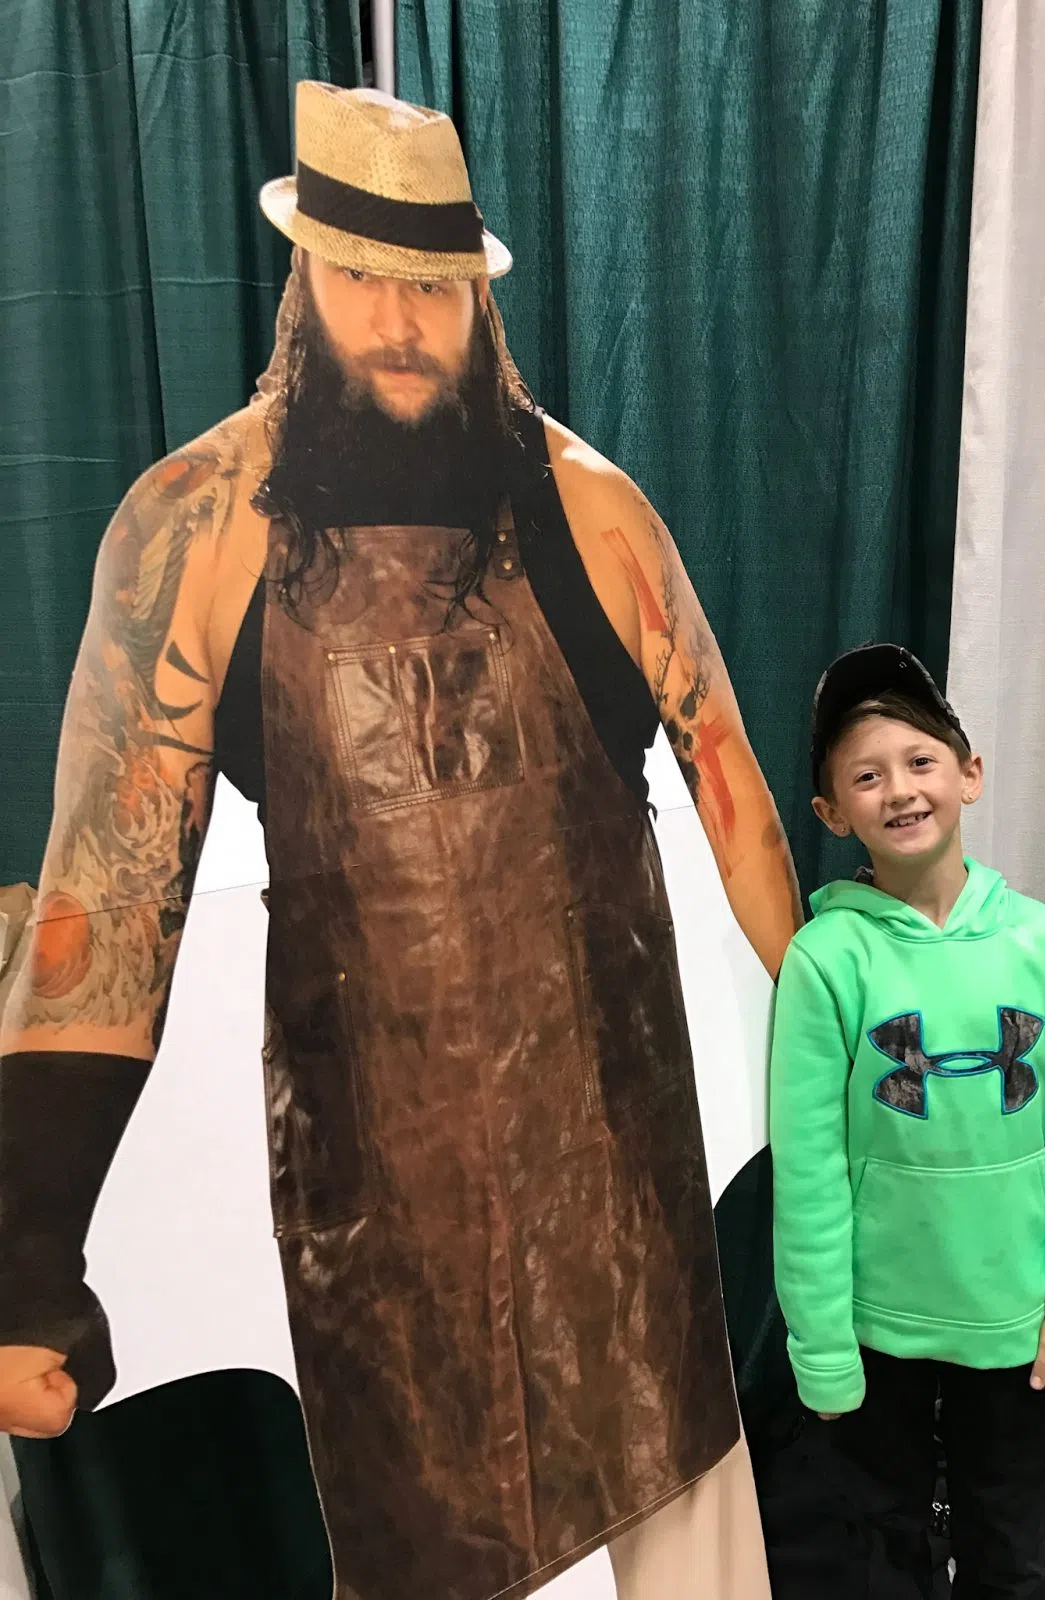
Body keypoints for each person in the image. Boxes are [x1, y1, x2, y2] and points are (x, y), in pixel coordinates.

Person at [0, 84, 803, 1600]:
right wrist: (31, 1253)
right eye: (362, 273)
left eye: (433, 284)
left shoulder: (598, 514)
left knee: (690, 1514)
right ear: (300, 273)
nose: (399, 320)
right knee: (422, 1539)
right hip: (378, 1186)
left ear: (479, 296)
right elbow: (111, 887)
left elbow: (738, 799)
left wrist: (859, 1076)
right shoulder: (193, 531)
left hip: (620, 1168)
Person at [769, 643, 1045, 1598]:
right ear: (831, 812)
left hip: (1014, 1322)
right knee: (876, 1549)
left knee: (1007, 1546)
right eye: (866, 776)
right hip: (872, 1329)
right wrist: (821, 1347)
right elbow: (809, 1171)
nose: (899, 789)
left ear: (969, 774)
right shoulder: (826, 960)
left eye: (920, 760)